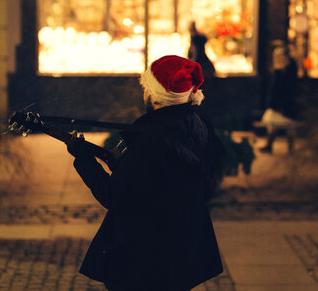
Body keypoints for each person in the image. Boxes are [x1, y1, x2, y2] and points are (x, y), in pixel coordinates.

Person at [67, 55, 224, 290]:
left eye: (144, 87)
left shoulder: (150, 140)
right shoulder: (198, 123)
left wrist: (84, 160)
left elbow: (113, 196)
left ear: (154, 96)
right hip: (184, 251)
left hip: (144, 258)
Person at [260, 46, 299, 153]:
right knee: (273, 125)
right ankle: (270, 145)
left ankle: (289, 148)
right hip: (279, 103)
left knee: (288, 126)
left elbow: (286, 88)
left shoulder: (287, 69)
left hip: (285, 103)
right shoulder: (281, 69)